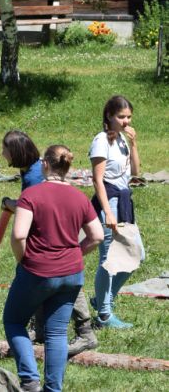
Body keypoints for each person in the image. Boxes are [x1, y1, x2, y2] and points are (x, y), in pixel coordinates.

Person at [3, 145, 104, 392]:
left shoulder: (31, 195)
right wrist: (75, 253)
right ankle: (53, 389)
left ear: (45, 164)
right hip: (72, 274)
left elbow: (19, 235)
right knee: (57, 333)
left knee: (14, 321)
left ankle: (30, 382)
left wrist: (23, 259)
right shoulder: (80, 197)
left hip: (38, 272)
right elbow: (97, 236)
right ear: (67, 167)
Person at [89, 95, 144, 329]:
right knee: (108, 259)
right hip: (109, 202)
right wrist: (107, 213)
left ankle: (103, 299)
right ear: (109, 116)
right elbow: (98, 180)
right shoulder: (101, 141)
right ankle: (103, 315)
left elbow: (136, 173)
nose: (126, 121)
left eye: (129, 117)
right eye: (121, 117)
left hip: (123, 202)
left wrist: (134, 144)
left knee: (137, 255)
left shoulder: (122, 140)